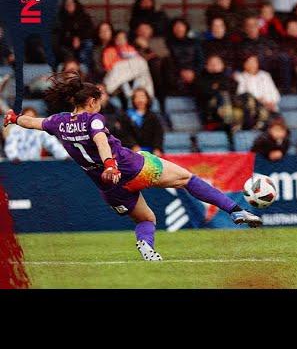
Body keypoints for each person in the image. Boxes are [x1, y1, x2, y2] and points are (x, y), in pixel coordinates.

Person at [3, 71, 262, 262]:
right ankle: (236, 210)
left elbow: (32, 123)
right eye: (99, 99)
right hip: (131, 167)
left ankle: (147, 248)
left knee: (147, 218)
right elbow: (101, 141)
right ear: (91, 101)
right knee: (186, 179)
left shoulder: (58, 122)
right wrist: (110, 163)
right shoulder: (93, 120)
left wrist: (14, 118)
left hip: (108, 185)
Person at [3, 106, 68, 162]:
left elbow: (52, 144)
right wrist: (14, 157)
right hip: (18, 163)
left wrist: (64, 155)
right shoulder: (15, 130)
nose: (28, 121)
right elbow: (11, 145)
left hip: (34, 164)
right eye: (27, 117)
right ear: (21, 118)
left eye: (31, 117)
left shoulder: (40, 131)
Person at [116, 88, 164, 156]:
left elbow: (158, 134)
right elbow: (125, 133)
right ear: (133, 99)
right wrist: (133, 146)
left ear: (147, 99)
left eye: (142, 96)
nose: (140, 100)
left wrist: (157, 148)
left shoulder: (154, 117)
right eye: (137, 97)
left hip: (150, 152)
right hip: (131, 151)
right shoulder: (126, 115)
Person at [52, 0, 95, 67]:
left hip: (82, 44)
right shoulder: (60, 18)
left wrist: (79, 38)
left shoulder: (84, 16)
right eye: (67, 3)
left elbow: (90, 31)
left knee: (88, 44)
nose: (69, 4)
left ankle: (85, 70)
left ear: (76, 3)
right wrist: (71, 39)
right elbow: (58, 35)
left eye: (72, 2)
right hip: (66, 45)